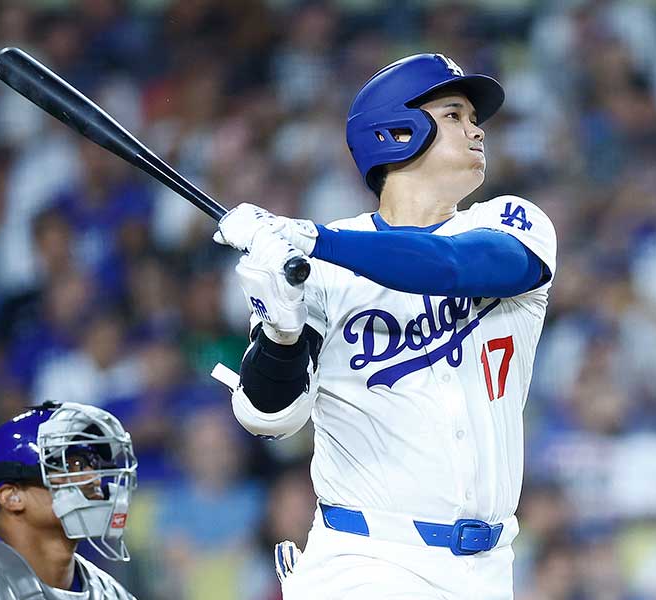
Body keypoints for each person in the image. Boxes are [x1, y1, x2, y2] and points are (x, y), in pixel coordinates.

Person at [213, 53, 557, 599]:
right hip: (366, 560)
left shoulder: (510, 220)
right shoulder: (316, 270)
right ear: (398, 131)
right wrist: (280, 332)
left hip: (489, 567)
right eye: (455, 114)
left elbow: (455, 265)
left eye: (474, 118)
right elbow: (269, 417)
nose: (476, 129)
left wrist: (317, 239)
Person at [0, 402, 139, 599]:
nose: (93, 479)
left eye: (93, 466)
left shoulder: (111, 593)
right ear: (11, 497)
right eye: (72, 465)